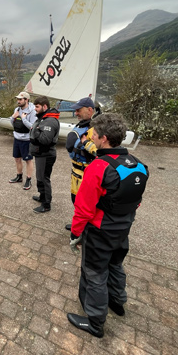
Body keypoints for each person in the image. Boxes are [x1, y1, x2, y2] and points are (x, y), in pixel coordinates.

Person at [67, 113, 148, 338]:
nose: (90, 135)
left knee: (94, 273)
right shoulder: (138, 165)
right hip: (123, 228)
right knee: (115, 265)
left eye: (93, 132)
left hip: (100, 231)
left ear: (103, 139)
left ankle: (95, 322)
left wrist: (75, 233)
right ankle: (118, 302)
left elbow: (83, 208)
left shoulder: (98, 167)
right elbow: (136, 201)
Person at [64, 96, 98, 230]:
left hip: (87, 173)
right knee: (75, 200)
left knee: (86, 204)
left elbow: (100, 152)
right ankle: (78, 224)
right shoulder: (81, 125)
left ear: (89, 110)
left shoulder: (97, 129)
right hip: (76, 172)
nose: (76, 113)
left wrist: (86, 143)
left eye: (79, 110)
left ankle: (87, 229)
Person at [29, 96, 60, 213]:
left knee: (44, 178)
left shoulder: (50, 121)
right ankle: (42, 196)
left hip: (46, 154)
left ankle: (46, 204)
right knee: (39, 177)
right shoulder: (43, 118)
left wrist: (36, 130)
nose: (35, 109)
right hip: (40, 153)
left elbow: (45, 140)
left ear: (45, 106)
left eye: (37, 107)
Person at [9, 91, 36, 190]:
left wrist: (24, 119)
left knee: (28, 160)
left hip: (26, 140)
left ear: (26, 100)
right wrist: (13, 117)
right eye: (18, 99)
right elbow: (13, 123)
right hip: (17, 138)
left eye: (20, 99)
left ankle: (29, 179)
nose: (18, 101)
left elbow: (33, 127)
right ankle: (19, 176)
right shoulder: (17, 109)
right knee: (17, 158)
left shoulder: (32, 111)